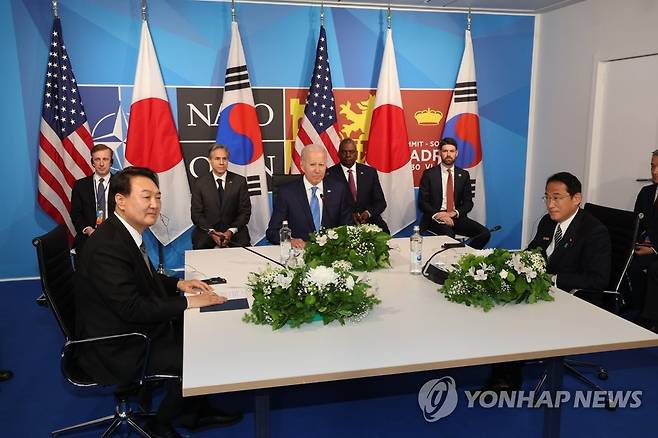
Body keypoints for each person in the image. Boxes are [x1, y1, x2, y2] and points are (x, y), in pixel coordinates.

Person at [74, 167, 241, 437]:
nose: (154, 204)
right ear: (121, 201)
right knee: (199, 353)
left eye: (158, 197)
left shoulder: (123, 232)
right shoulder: (108, 246)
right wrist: (189, 303)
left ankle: (192, 412)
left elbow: (142, 279)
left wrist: (178, 284)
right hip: (117, 344)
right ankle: (161, 423)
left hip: (127, 325)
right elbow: (133, 308)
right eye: (146, 197)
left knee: (201, 334)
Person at [486, 172, 611, 391]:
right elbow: (532, 253)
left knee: (516, 316)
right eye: (547, 197)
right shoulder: (547, 222)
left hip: (577, 298)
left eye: (557, 198)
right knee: (502, 301)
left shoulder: (594, 232)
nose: (550, 205)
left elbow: (598, 279)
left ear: (576, 198)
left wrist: (552, 279)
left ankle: (507, 379)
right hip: (546, 289)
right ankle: (498, 364)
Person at [266, 144, 354, 248]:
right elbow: (272, 232)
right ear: (302, 166)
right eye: (312, 165)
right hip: (299, 252)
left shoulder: (338, 190)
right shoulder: (287, 193)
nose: (317, 170)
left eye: (321, 165)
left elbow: (348, 227)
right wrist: (290, 241)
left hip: (330, 252)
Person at [418, 137, 490, 249]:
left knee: (484, 233)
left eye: (451, 151)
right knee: (449, 236)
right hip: (435, 218)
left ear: (456, 153)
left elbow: (468, 203)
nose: (448, 154)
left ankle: (466, 256)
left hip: (455, 216)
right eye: (445, 151)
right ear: (440, 153)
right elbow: (422, 202)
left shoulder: (464, 175)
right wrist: (440, 215)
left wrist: (453, 213)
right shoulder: (429, 174)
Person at [191, 144, 251, 249]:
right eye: (217, 159)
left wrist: (230, 231)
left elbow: (245, 212)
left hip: (233, 231)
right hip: (208, 231)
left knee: (244, 243)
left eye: (224, 159)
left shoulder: (239, 181)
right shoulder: (200, 183)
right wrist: (212, 232)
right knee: (200, 243)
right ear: (210, 160)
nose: (221, 162)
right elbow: (196, 215)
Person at [327, 138, 389, 234]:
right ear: (338, 154)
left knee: (384, 232)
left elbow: (380, 202)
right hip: (342, 222)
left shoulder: (370, 173)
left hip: (369, 220)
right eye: (344, 152)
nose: (348, 155)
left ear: (356, 154)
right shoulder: (330, 174)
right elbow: (328, 206)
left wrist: (367, 213)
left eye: (351, 152)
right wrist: (348, 216)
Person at [631, 150, 658, 332]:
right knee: (630, 264)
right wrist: (634, 243)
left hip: (656, 249)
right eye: (652, 166)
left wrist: (655, 249)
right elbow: (636, 223)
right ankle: (638, 307)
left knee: (655, 268)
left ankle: (650, 318)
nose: (654, 171)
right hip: (646, 245)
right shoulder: (646, 192)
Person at [70, 144, 114, 253]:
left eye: (105, 159)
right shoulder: (80, 185)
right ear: (92, 162)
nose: (101, 164)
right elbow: (75, 214)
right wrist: (88, 229)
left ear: (111, 162)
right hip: (88, 238)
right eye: (97, 159)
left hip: (115, 238)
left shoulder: (121, 185)